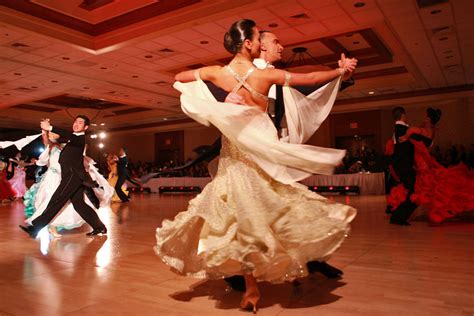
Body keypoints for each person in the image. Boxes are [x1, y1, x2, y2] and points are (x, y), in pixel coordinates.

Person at [154, 19, 357, 313]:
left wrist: (223, 95)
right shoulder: (267, 76)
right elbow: (311, 77)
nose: (263, 43)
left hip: (237, 157)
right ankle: (269, 272)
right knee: (269, 210)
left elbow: (180, 77)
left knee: (241, 219)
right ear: (248, 44)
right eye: (258, 39)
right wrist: (340, 70)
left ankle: (251, 288)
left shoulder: (217, 72)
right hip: (254, 154)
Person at [20, 115, 107, 238]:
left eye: (80, 123)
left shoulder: (80, 139)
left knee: (57, 199)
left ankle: (36, 228)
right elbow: (59, 140)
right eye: (75, 121)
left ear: (85, 127)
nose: (76, 124)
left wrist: (50, 127)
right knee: (79, 205)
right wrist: (46, 131)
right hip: (72, 176)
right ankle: (100, 227)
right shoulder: (73, 139)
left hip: (72, 176)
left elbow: (67, 134)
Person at [399, 108, 474, 224]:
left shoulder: (423, 130)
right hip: (422, 160)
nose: (424, 119)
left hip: (421, 161)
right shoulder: (430, 130)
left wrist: (407, 134)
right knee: (428, 185)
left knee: (425, 185)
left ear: (429, 119)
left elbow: (410, 132)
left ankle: (411, 211)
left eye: (426, 117)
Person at [386, 107, 417, 225]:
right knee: (414, 192)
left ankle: (397, 216)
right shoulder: (402, 129)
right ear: (403, 115)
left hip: (402, 166)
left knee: (412, 191)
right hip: (405, 166)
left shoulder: (398, 129)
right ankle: (398, 217)